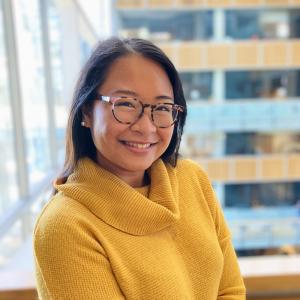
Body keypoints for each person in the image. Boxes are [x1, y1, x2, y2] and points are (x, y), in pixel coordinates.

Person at [33, 37, 246, 299]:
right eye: (125, 104)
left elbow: (230, 290)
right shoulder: (65, 225)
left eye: (162, 107)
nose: (146, 127)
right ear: (87, 112)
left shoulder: (192, 179)